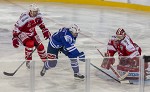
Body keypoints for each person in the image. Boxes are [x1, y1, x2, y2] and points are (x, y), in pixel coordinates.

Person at [12, 4, 51, 68]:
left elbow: (41, 24)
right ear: (30, 11)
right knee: (30, 44)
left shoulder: (38, 16)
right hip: (23, 33)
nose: (36, 13)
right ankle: (28, 61)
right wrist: (14, 38)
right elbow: (16, 28)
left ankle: (45, 61)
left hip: (32, 32)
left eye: (36, 11)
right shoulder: (24, 18)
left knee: (40, 47)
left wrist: (45, 31)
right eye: (34, 12)